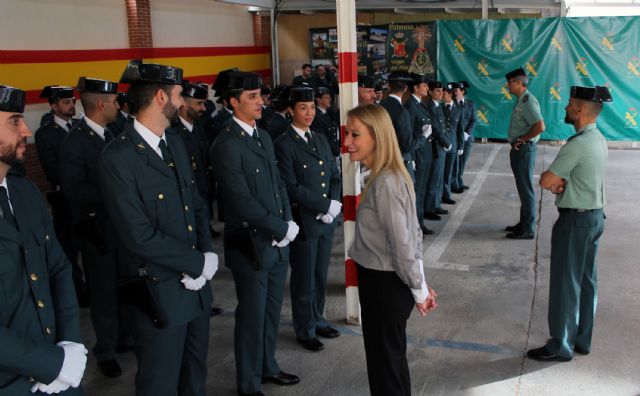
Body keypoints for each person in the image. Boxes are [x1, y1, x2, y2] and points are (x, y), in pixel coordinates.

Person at [98, 59, 218, 395]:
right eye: (179, 94)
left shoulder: (175, 143)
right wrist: (196, 263)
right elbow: (138, 235)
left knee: (195, 375)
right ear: (162, 98)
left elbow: (195, 204)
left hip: (196, 289)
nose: (182, 101)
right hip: (159, 293)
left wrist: (206, 255)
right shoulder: (118, 157)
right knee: (159, 382)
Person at [211, 71, 300, 396]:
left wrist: (287, 224)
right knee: (251, 316)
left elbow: (277, 185)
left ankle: (268, 366)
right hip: (250, 245)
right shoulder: (226, 145)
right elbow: (241, 200)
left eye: (259, 95)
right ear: (232, 102)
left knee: (272, 310)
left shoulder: (261, 136)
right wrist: (279, 228)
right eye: (251, 97)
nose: (260, 101)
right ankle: (248, 384)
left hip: (276, 242)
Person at [0, 84, 88, 395]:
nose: (25, 129)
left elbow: (58, 268)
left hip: (58, 369)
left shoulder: (24, 191)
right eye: (14, 121)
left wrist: (69, 344)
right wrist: (47, 362)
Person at [345, 104, 437, 396]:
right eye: (348, 133)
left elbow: (404, 243)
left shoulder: (385, 182)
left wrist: (419, 290)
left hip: (383, 285)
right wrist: (419, 283)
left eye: (355, 134)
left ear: (377, 137)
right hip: (387, 283)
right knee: (391, 365)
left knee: (386, 370)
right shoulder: (390, 175)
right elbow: (413, 234)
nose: (347, 142)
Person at [527, 86, 611, 362]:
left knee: (566, 283)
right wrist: (563, 183)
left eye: (570, 104)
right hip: (595, 217)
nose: (565, 108)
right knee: (586, 281)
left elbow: (547, 180)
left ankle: (561, 345)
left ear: (581, 110)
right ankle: (581, 339)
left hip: (575, 221)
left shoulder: (578, 144)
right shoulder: (598, 139)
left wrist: (557, 183)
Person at [59, 77, 126, 378]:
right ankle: (106, 350)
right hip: (96, 228)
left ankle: (125, 337)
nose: (117, 106)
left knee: (123, 283)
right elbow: (73, 189)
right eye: (113, 102)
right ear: (101, 104)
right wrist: (115, 196)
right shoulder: (75, 140)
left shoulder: (112, 132)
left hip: (119, 226)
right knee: (103, 291)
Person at [274, 86, 342, 352]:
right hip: (304, 220)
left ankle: (318, 318)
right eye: (303, 108)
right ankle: (305, 328)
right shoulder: (284, 143)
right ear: (291, 110)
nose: (310, 112)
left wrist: (332, 205)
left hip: (324, 220)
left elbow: (333, 174)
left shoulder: (320, 138)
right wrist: (323, 204)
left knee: (319, 274)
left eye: (312, 107)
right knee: (304, 277)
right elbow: (290, 186)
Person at [34, 85, 87, 306]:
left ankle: (92, 288)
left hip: (84, 198)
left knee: (89, 245)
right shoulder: (46, 134)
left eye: (73, 101)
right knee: (69, 248)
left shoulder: (80, 128)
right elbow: (52, 170)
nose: (71, 105)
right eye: (66, 102)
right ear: (54, 106)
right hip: (64, 198)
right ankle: (77, 291)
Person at [504, 67, 545, 240]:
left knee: (526, 189)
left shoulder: (528, 101)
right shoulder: (522, 99)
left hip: (524, 150)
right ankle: (524, 222)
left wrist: (522, 139)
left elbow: (540, 126)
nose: (507, 85)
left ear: (518, 83)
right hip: (520, 149)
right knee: (523, 188)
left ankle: (528, 228)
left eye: (510, 82)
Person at [404, 73, 433, 234]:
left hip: (425, 153)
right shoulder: (410, 106)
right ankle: (416, 225)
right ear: (415, 88)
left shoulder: (420, 104)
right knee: (417, 192)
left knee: (421, 191)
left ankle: (419, 223)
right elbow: (409, 135)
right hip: (418, 155)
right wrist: (412, 159)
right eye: (424, 86)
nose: (427, 88)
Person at [424, 81, 452, 221]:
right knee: (433, 178)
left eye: (442, 91)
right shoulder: (429, 107)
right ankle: (429, 208)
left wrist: (446, 142)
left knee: (439, 178)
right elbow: (434, 128)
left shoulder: (438, 106)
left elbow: (443, 127)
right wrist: (447, 143)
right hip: (435, 147)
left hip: (441, 147)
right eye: (437, 91)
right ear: (430, 92)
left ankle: (436, 204)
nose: (441, 94)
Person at [441, 83, 463, 206]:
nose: (441, 95)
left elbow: (460, 129)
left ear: (449, 94)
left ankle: (446, 195)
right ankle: (439, 194)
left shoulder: (459, 109)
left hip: (453, 145)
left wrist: (461, 146)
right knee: (439, 172)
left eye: (443, 93)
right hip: (441, 145)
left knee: (449, 172)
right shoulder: (440, 107)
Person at [452, 80, 476, 193]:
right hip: (455, 138)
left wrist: (466, 134)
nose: (454, 92)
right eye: (454, 91)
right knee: (454, 162)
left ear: (462, 91)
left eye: (456, 90)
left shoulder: (470, 104)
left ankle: (458, 181)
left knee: (462, 161)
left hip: (467, 138)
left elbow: (473, 120)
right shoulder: (451, 103)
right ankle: (454, 183)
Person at [311, 87, 340, 157]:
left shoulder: (329, 113)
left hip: (333, 151)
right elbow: (323, 138)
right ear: (318, 100)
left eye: (329, 97)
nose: (330, 99)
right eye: (327, 97)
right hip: (326, 153)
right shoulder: (316, 116)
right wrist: (337, 150)